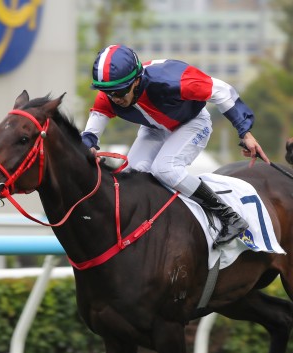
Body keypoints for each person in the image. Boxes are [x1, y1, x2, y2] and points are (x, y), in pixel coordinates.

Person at [80, 44, 270, 247]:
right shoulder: (110, 94)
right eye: (109, 93)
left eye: (120, 91)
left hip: (193, 123)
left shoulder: (172, 81)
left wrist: (245, 133)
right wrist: (87, 148)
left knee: (165, 169)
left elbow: (223, 92)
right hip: (154, 128)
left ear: (137, 80)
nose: (115, 98)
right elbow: (91, 132)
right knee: (130, 176)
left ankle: (229, 217)